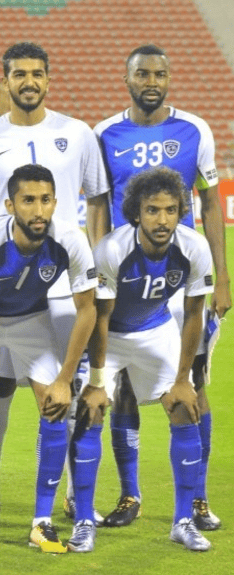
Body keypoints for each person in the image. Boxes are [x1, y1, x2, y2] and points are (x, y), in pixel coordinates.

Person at [0, 41, 109, 530]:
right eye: (19, 74)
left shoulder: (78, 133)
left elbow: (97, 203)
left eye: (37, 73)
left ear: (48, 78)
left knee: (65, 391)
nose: (29, 82)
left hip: (62, 287)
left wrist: (98, 268)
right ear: (5, 81)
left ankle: (73, 496)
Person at [93, 44, 230, 529]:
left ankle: (197, 499)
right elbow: (98, 205)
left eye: (160, 74)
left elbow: (210, 204)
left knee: (193, 386)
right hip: (127, 279)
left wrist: (221, 276)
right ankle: (129, 495)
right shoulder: (104, 134)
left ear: (169, 79)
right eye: (143, 74)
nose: (152, 81)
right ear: (127, 79)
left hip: (182, 280)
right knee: (123, 387)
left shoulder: (195, 129)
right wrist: (96, 273)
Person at [0, 164, 97, 553]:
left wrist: (65, 379)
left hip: (31, 320)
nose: (38, 210)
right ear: (10, 205)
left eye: (45, 200)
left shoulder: (70, 240)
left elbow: (87, 310)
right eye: (28, 200)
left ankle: (41, 522)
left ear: (56, 203)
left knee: (55, 407)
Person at [82, 166, 214, 552]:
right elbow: (100, 318)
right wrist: (97, 380)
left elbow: (194, 314)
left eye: (171, 210)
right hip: (111, 335)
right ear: (136, 213)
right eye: (152, 210)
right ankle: (85, 520)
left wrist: (183, 379)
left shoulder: (194, 247)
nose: (162, 220)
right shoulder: (112, 250)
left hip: (156, 330)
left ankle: (183, 522)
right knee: (90, 412)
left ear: (181, 211)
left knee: (185, 406)